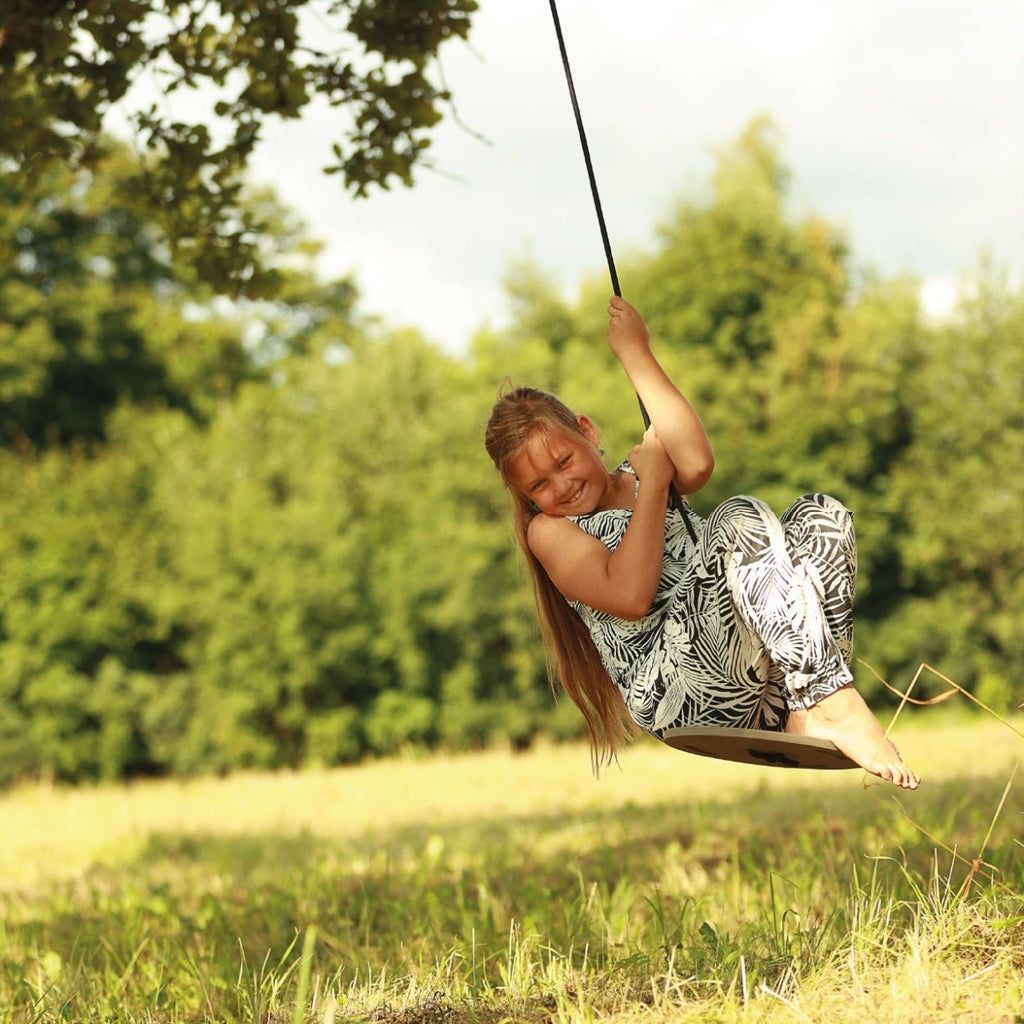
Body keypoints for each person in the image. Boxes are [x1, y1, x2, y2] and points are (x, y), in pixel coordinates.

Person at [484, 295, 919, 789]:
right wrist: (651, 486)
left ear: (587, 431)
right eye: (539, 486)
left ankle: (806, 705)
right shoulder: (551, 532)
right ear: (525, 496)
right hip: (677, 691)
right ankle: (833, 702)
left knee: (823, 516)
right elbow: (629, 595)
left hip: (752, 668)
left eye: (563, 462)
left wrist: (635, 355)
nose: (560, 486)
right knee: (737, 518)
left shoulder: (643, 470)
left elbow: (696, 462)